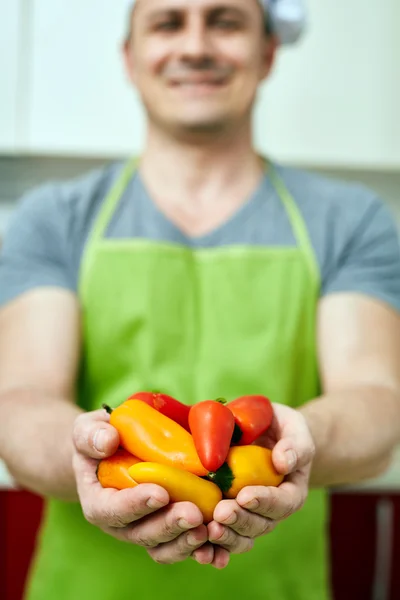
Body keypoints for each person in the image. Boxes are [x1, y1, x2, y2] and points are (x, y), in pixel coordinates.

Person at [0, 0, 400, 598]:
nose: (194, 46)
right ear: (130, 58)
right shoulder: (54, 220)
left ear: (266, 52)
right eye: (167, 22)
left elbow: (376, 402)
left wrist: (300, 440)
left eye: (224, 21)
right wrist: (90, 458)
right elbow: (20, 401)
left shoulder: (351, 220)